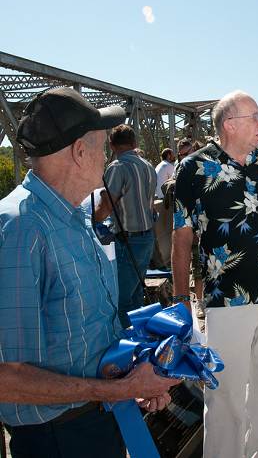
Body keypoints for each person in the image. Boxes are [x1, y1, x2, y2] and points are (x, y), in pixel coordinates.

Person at [0, 87, 178, 458]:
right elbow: (7, 378)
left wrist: (134, 376)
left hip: (100, 418)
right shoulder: (21, 228)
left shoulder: (75, 216)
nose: (105, 159)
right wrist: (118, 390)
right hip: (58, 438)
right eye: (101, 148)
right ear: (80, 152)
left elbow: (86, 330)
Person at [171, 90, 258, 458]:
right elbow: (182, 234)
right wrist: (179, 297)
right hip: (226, 295)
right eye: (257, 117)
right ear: (229, 124)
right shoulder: (193, 168)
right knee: (225, 394)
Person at [95, 125, 157, 328]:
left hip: (128, 239)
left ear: (111, 145)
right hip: (147, 236)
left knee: (120, 300)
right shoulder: (147, 165)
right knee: (136, 295)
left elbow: (105, 208)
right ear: (134, 143)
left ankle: (125, 349)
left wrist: (89, 223)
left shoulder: (117, 167)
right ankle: (140, 343)